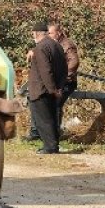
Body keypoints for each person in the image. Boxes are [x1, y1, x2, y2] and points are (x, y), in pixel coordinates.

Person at [26, 21, 68, 154]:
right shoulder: (57, 46)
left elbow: (45, 71)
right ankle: (53, 144)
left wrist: (52, 89)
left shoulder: (40, 48)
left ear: (36, 33)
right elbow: (64, 69)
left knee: (43, 119)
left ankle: (50, 146)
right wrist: (59, 87)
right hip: (54, 88)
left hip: (42, 89)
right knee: (52, 118)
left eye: (33, 33)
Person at [49, 21, 80, 135]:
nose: (49, 36)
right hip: (57, 81)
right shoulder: (54, 44)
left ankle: (55, 134)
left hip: (67, 82)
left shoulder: (67, 44)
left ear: (58, 33)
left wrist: (64, 76)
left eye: (50, 33)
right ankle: (48, 133)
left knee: (56, 103)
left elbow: (74, 61)